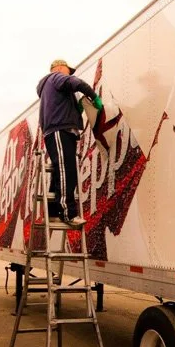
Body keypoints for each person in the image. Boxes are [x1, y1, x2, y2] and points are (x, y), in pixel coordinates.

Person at [36, 59, 103, 226]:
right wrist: (93, 96)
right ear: (58, 68)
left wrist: (77, 109)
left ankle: (53, 212)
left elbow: (61, 105)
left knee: (60, 172)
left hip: (59, 130)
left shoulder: (52, 89)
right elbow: (76, 82)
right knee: (67, 171)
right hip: (60, 130)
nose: (69, 75)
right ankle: (68, 214)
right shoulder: (55, 77)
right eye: (68, 71)